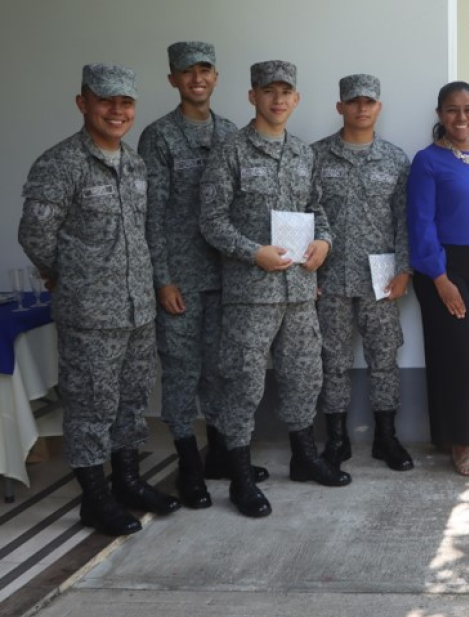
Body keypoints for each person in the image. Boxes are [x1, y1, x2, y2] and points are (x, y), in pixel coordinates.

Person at [19, 64, 179, 535]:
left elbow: (145, 233)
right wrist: (73, 276)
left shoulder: (134, 164)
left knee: (131, 401)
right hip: (90, 313)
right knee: (91, 407)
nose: (117, 110)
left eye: (125, 102)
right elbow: (35, 234)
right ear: (82, 103)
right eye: (105, 100)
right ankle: (95, 499)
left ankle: (127, 482)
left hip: (137, 310)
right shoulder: (60, 163)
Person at [200, 60, 349, 518]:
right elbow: (211, 221)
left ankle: (304, 458)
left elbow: (316, 210)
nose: (278, 99)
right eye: (269, 91)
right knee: (243, 382)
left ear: (297, 99)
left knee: (304, 376)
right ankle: (241, 478)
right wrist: (252, 252)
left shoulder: (304, 154)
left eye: (286, 91)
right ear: (252, 97)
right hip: (251, 290)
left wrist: (324, 240)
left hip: (300, 291)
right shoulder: (231, 151)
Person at [139, 41, 267, 511]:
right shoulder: (159, 137)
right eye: (186, 71)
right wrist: (162, 279)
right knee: (181, 371)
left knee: (222, 370)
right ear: (172, 79)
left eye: (205, 69)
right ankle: (188, 465)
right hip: (182, 278)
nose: (197, 78)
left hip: (229, 277)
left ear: (216, 77)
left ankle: (220, 456)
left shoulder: (232, 133)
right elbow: (151, 215)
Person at [313, 74, 413, 471]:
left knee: (384, 357)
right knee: (332, 359)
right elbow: (305, 216)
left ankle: (385, 438)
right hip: (330, 278)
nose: (361, 108)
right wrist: (309, 277)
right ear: (339, 107)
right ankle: (337, 440)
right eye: (352, 101)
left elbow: (404, 221)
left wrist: (405, 271)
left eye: (368, 101)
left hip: (381, 277)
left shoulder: (395, 159)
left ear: (379, 107)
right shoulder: (316, 156)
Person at [407, 81, 469, 477]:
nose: (462, 118)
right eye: (453, 110)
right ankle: (462, 442)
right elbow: (420, 225)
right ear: (440, 114)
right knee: (456, 356)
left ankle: (462, 430)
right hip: (444, 267)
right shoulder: (427, 161)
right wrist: (439, 277)